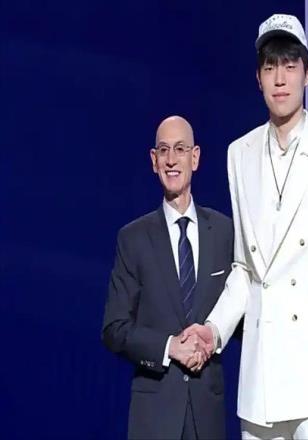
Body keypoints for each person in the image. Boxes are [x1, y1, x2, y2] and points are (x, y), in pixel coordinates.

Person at [182, 14, 308, 439]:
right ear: (258, 78)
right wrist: (214, 329)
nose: (280, 79)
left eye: (290, 66)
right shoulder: (240, 153)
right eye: (270, 67)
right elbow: (245, 269)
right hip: (263, 378)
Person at [102, 116, 233, 439]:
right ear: (154, 160)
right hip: (155, 415)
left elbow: (241, 315)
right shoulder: (133, 238)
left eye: (180, 149)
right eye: (164, 150)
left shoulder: (223, 232)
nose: (172, 159)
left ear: (195, 157)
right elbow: (114, 329)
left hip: (207, 414)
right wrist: (169, 347)